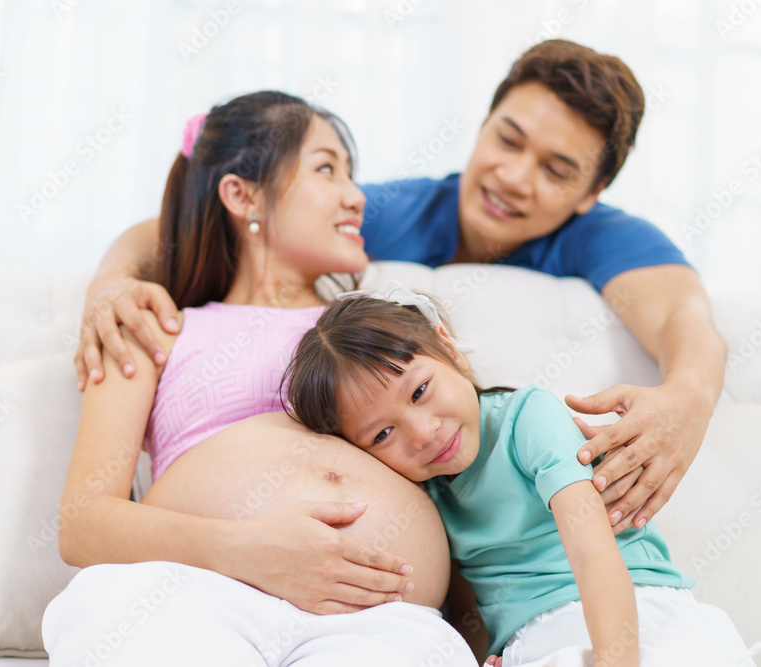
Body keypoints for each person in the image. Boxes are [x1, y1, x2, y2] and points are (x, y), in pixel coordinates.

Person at [72, 39, 727, 538]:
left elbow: (684, 315)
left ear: (592, 192)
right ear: (483, 125)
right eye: (508, 140)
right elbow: (194, 223)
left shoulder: (605, 238)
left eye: (556, 170)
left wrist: (688, 399)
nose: (513, 176)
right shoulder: (387, 214)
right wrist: (110, 283)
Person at [44, 91, 479, 666]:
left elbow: (466, 479)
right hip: (193, 592)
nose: (356, 197)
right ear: (242, 195)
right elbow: (82, 523)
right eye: (326, 169)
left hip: (381, 617)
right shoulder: (152, 327)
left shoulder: (381, 325)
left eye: (351, 175)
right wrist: (245, 549)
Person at [282, 290, 756, 667]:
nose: (423, 433)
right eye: (383, 434)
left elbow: (592, 552)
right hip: (534, 643)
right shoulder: (426, 494)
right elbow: (469, 607)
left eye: (420, 390)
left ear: (448, 346)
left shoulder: (527, 418)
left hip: (630, 612)